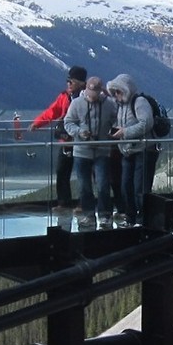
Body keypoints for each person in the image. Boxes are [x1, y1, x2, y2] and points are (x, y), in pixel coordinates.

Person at [62, 75, 118, 230]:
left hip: (102, 150)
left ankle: (105, 215)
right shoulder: (77, 103)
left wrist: (111, 132)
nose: (92, 98)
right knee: (84, 186)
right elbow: (68, 122)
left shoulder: (109, 105)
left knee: (102, 184)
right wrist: (79, 132)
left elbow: (117, 119)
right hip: (81, 150)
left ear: (100, 91)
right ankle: (88, 215)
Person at [29, 66, 86, 214]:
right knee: (62, 171)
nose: (68, 84)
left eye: (71, 81)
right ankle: (64, 202)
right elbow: (52, 112)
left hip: (82, 141)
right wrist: (37, 123)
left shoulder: (88, 97)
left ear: (80, 83)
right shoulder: (64, 97)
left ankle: (83, 203)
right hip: (66, 141)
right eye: (68, 81)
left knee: (83, 173)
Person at [108, 73, 159, 226]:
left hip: (144, 150)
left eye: (118, 92)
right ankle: (130, 217)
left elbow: (146, 123)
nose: (116, 95)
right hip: (127, 151)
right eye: (114, 92)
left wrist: (125, 132)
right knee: (126, 186)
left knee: (140, 187)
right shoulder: (120, 106)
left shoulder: (139, 102)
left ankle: (143, 217)